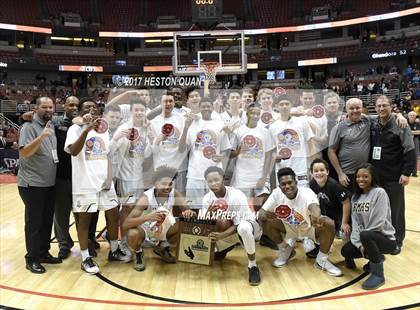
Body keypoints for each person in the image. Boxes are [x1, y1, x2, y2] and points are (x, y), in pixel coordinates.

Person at [65, 99, 129, 274]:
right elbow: (73, 151)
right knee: (84, 221)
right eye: (87, 107)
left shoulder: (103, 130)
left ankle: (114, 250)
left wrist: (109, 178)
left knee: (113, 215)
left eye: (94, 107)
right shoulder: (74, 129)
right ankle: (85, 258)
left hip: (104, 183)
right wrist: (86, 129)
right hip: (85, 184)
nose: (91, 109)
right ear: (80, 111)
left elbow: (106, 155)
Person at [258, 167, 342, 277]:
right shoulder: (276, 193)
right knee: (266, 221)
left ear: (296, 182)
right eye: (283, 184)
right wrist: (270, 215)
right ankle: (286, 250)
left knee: (328, 223)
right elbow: (261, 213)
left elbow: (314, 206)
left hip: (308, 228)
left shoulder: (306, 192)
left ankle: (322, 260)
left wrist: (316, 216)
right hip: (289, 229)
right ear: (280, 186)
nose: (287, 186)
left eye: (290, 182)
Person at [18, 96, 62, 273]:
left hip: (49, 184)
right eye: (44, 107)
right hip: (32, 184)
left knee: (45, 221)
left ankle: (43, 252)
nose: (49, 110)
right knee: (34, 223)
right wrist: (41, 137)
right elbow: (25, 152)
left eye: (51, 107)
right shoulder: (28, 127)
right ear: (35, 109)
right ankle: (32, 258)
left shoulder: (49, 124)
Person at [123, 166, 195, 271]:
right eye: (164, 184)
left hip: (164, 227)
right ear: (156, 184)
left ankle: (163, 247)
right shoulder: (146, 198)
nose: (167, 187)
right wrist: (148, 217)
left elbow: (191, 213)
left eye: (170, 184)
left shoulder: (174, 193)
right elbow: (126, 224)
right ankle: (138, 253)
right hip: (146, 229)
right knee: (132, 233)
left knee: (186, 224)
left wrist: (189, 213)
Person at [202, 166, 262, 286]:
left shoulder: (236, 195)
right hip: (228, 232)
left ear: (223, 178)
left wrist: (222, 235)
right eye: (210, 181)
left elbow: (239, 223)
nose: (214, 183)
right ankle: (225, 247)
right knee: (216, 225)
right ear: (206, 182)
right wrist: (208, 215)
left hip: (250, 228)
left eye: (216, 179)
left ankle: (253, 265)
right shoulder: (207, 199)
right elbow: (205, 227)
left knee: (243, 228)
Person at [371, 96, 416, 253]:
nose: (381, 108)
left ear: (392, 107)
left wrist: (406, 173)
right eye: (378, 106)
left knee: (395, 210)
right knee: (380, 209)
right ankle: (383, 237)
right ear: (375, 108)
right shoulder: (374, 123)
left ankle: (397, 240)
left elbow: (410, 149)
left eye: (385, 105)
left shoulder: (400, 125)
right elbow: (360, 115)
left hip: (394, 176)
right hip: (377, 177)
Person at [341, 164, 397, 290]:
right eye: (358, 176)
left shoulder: (379, 193)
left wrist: (364, 241)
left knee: (366, 235)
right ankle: (376, 256)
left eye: (365, 176)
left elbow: (378, 223)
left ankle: (378, 274)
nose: (361, 179)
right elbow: (356, 224)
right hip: (365, 238)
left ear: (372, 177)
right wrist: (359, 244)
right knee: (346, 251)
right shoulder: (355, 197)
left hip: (385, 239)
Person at [112, 99, 153, 260]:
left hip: (138, 177)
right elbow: (114, 150)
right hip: (125, 177)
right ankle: (123, 242)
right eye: (136, 110)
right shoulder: (124, 128)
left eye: (142, 110)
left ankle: (137, 238)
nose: (139, 113)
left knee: (138, 209)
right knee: (127, 209)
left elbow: (147, 154)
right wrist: (120, 139)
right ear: (131, 112)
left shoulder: (145, 129)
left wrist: (151, 137)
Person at [179, 98, 232, 209]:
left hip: (215, 176)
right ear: (199, 108)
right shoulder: (192, 124)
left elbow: (226, 150)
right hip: (194, 175)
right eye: (203, 106)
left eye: (208, 106)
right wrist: (186, 127)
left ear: (212, 108)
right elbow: (181, 149)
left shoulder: (219, 124)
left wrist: (221, 157)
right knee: (194, 210)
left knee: (216, 210)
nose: (206, 108)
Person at [230, 103, 274, 210]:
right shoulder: (238, 131)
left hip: (259, 176)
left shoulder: (265, 132)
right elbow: (230, 154)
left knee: (261, 208)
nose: (255, 116)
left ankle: (258, 226)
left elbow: (268, 156)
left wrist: (264, 177)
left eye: (258, 114)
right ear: (247, 114)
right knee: (242, 208)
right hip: (242, 177)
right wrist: (238, 151)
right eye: (252, 113)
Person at [309, 158, 351, 239]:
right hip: (326, 214)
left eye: (322, 170)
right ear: (311, 173)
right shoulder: (312, 184)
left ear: (327, 172)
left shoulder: (334, 185)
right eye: (316, 171)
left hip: (339, 214)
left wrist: (344, 223)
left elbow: (346, 202)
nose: (319, 173)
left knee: (343, 236)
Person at [407, 111, 419, 177]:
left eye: (413, 115)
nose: (412, 117)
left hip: (415, 140)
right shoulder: (405, 122)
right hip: (406, 140)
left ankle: (414, 172)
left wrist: (409, 132)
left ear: (415, 117)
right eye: (411, 115)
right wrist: (413, 132)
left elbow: (418, 132)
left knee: (416, 156)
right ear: (408, 116)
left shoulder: (417, 123)